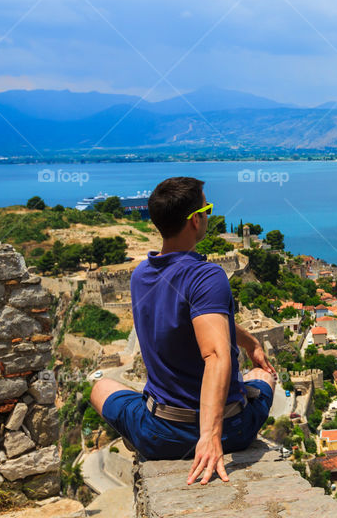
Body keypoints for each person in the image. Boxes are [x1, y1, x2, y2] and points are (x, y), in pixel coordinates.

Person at [89, 176, 278, 485]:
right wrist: (210, 436)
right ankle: (211, 435)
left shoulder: (140, 276)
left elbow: (203, 320)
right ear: (195, 220)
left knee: (100, 388)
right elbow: (216, 355)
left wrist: (248, 340)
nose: (209, 215)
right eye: (207, 208)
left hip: (158, 432)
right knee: (262, 376)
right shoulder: (207, 275)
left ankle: (138, 438)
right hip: (230, 431)